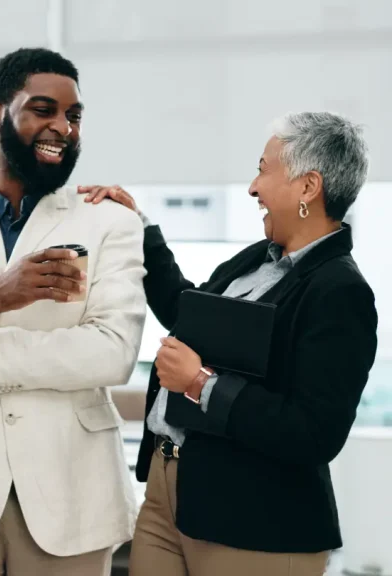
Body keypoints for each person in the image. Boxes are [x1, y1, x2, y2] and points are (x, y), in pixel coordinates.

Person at [82, 111, 376, 576]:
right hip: (168, 494)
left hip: (255, 523)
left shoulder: (341, 292)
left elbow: (313, 432)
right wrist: (139, 227)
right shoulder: (258, 259)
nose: (253, 187)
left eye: (264, 169)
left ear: (307, 187)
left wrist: (200, 384)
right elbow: (189, 314)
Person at [0, 47, 145, 576]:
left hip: (73, 494)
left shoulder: (111, 222)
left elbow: (113, 352)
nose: (62, 128)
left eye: (73, 116)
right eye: (43, 110)